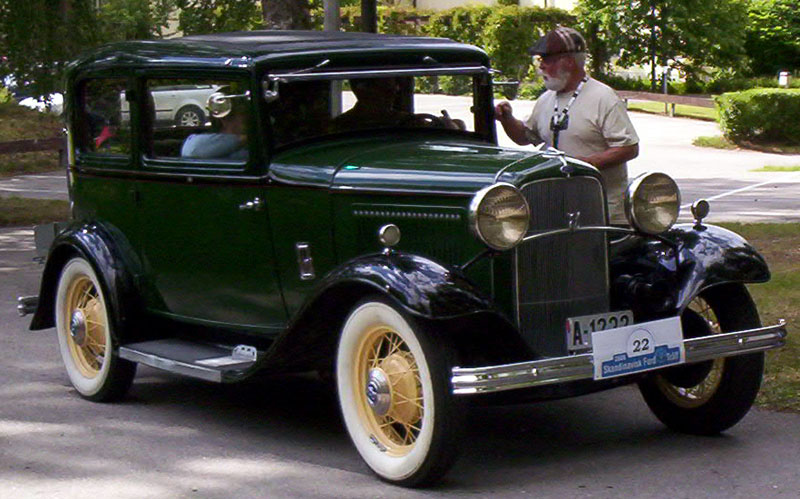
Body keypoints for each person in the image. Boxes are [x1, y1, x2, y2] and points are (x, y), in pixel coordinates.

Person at [495, 26, 639, 224]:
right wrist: (507, 118)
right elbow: (524, 137)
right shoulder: (547, 99)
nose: (541, 66)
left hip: (601, 212)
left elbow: (629, 148)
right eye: (540, 60)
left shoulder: (603, 97)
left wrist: (585, 165)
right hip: (556, 210)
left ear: (569, 62)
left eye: (546, 60)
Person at [332, 77, 464, 132]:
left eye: (394, 85)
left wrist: (449, 126)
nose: (395, 90)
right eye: (383, 87)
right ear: (362, 89)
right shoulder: (340, 128)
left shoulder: (409, 122)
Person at [181, 97, 248, 160]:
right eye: (242, 113)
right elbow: (191, 150)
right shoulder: (201, 144)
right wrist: (243, 139)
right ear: (224, 119)